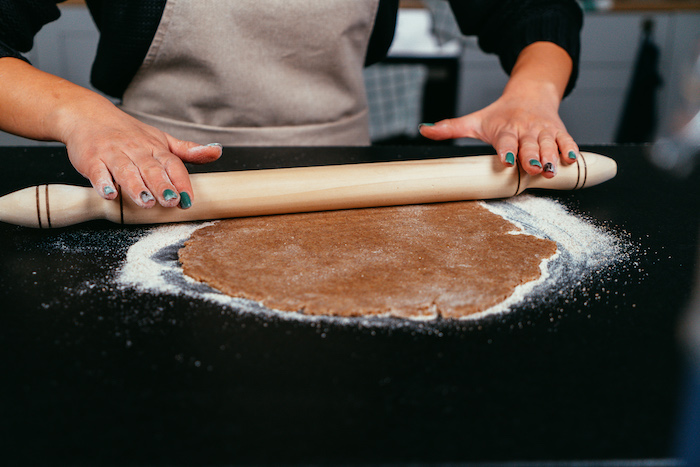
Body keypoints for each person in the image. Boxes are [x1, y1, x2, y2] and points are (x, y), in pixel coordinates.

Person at [0, 0, 583, 210]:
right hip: (154, 186)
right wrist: (80, 113)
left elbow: (531, 9)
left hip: (343, 185)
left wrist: (532, 93)